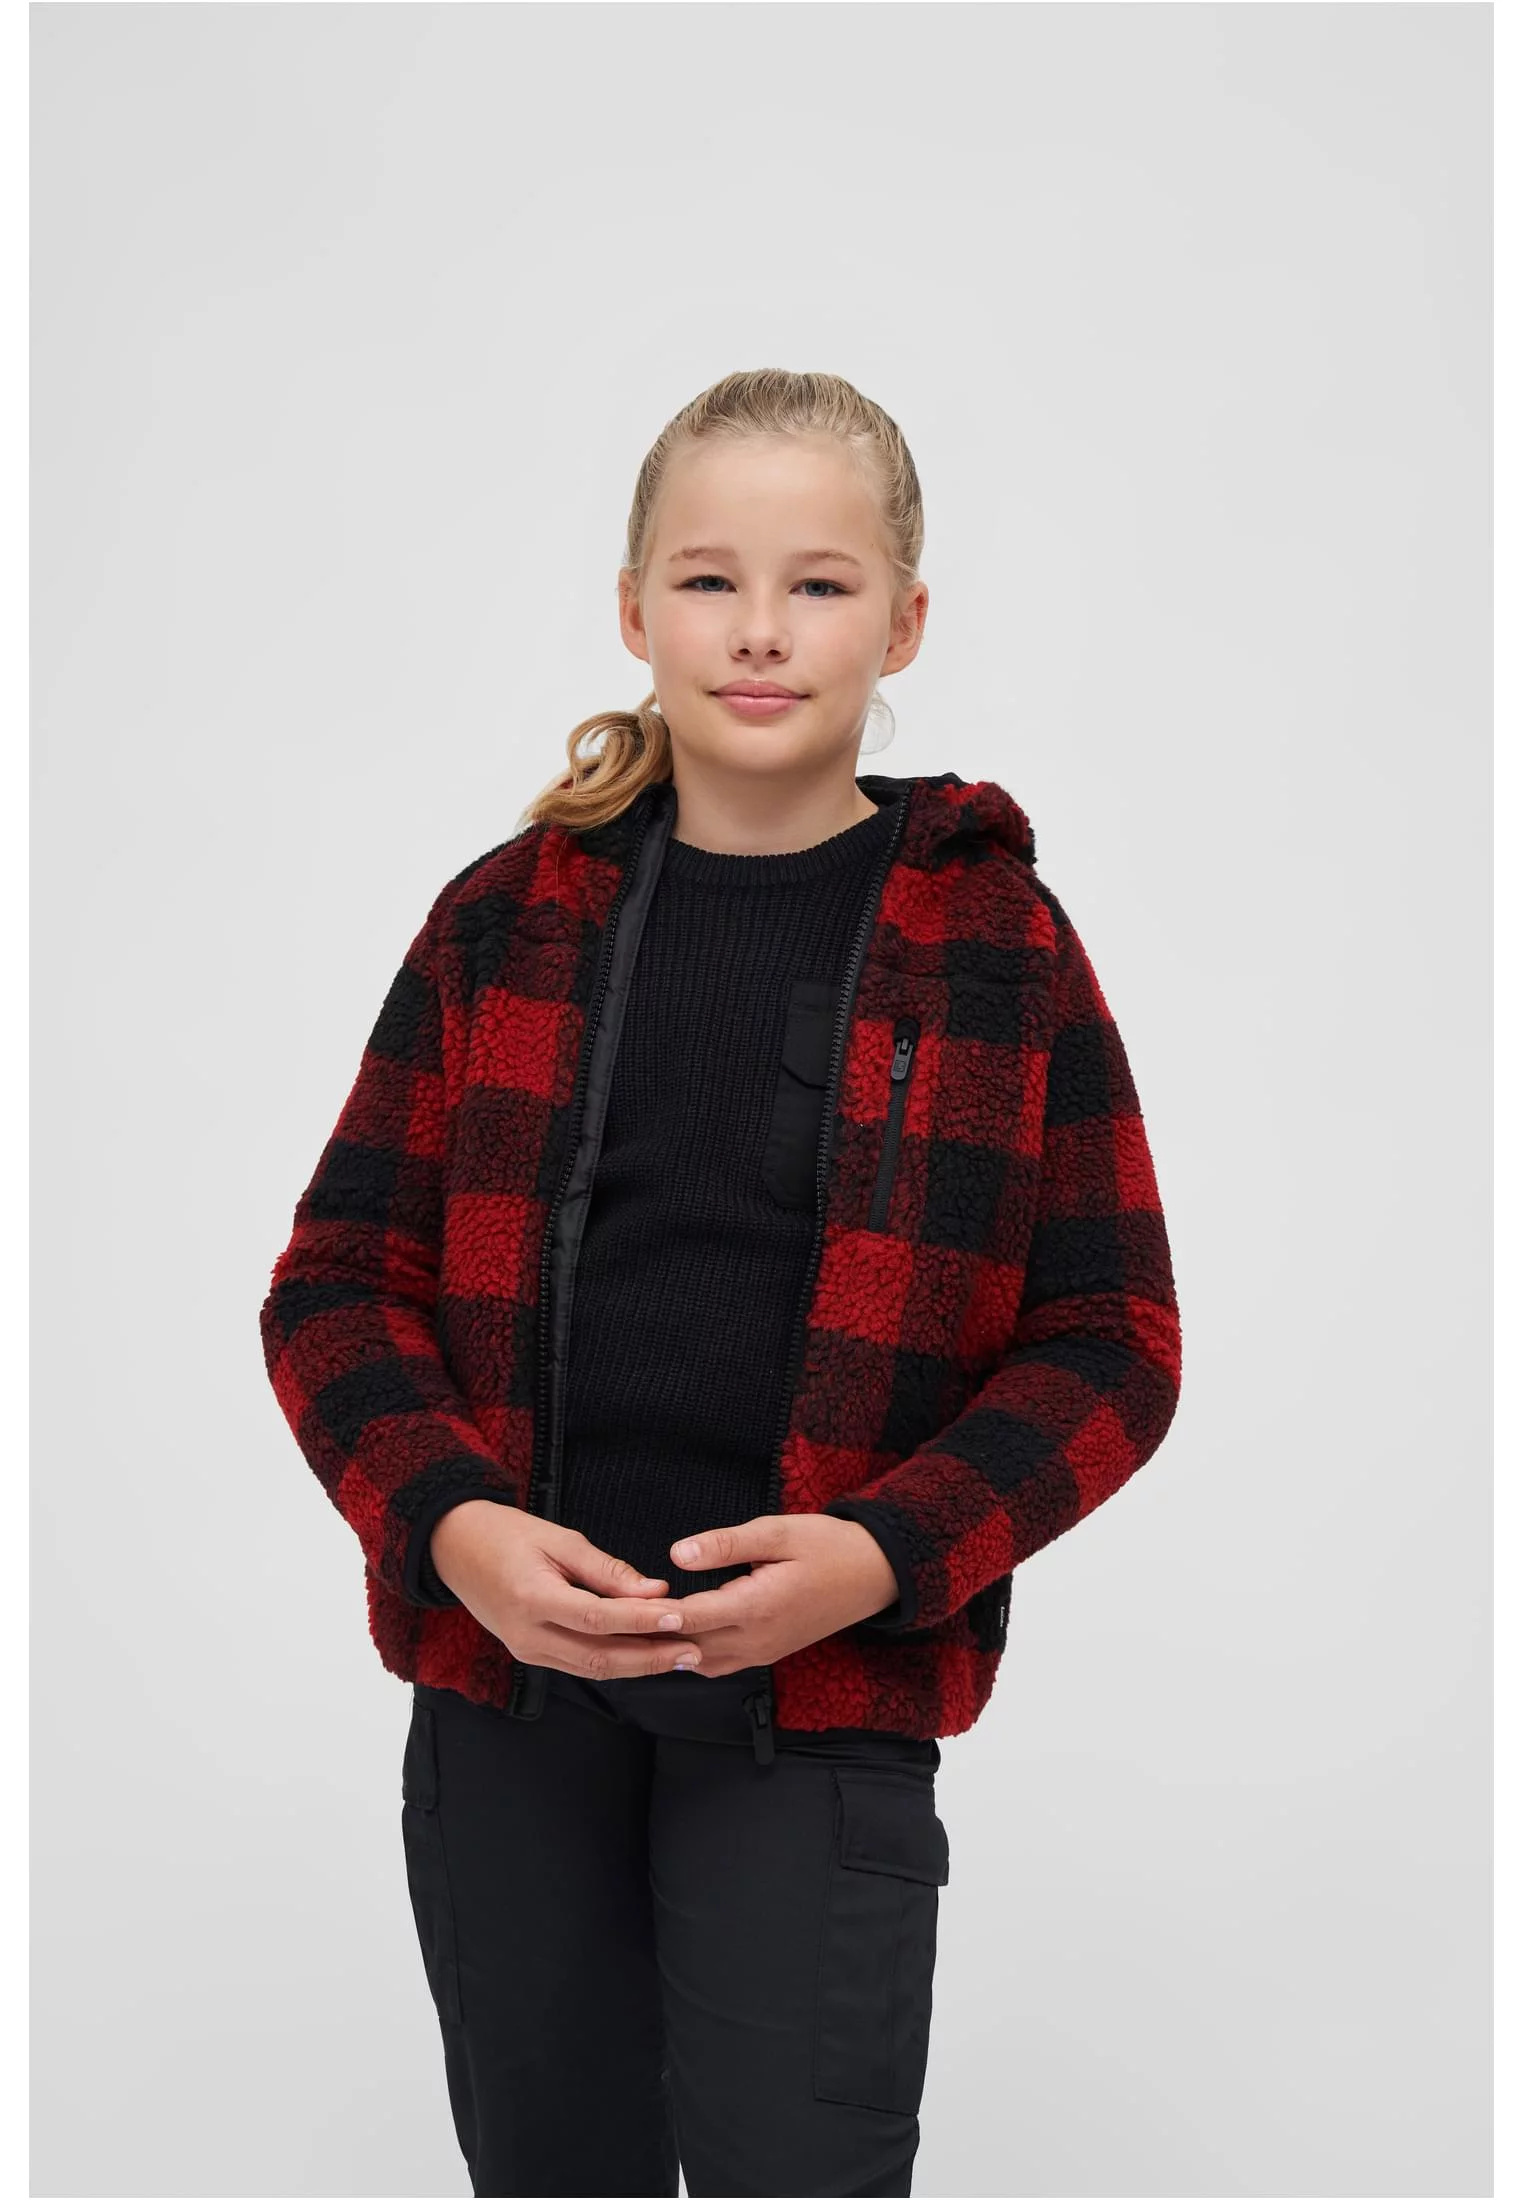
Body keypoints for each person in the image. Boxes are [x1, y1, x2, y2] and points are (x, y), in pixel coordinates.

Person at [258, 367, 1182, 2198]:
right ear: (634, 608)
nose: (761, 630)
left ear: (903, 620)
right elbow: (337, 1285)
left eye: (820, 584)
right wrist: (452, 1528)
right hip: (509, 1706)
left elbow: (1113, 1344)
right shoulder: (502, 919)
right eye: (709, 580)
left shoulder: (995, 941)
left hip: (817, 1720)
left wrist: (885, 1555)